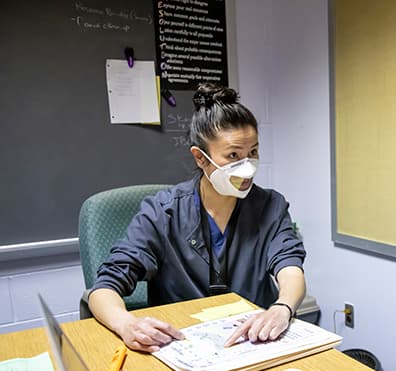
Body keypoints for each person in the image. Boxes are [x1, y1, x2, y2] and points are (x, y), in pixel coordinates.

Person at [88, 83, 306, 353]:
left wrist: (282, 307)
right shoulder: (162, 212)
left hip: (253, 342)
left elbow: (290, 267)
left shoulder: (270, 206)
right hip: (181, 346)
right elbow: (104, 287)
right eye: (233, 155)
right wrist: (126, 324)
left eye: (253, 152)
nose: (248, 167)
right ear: (201, 158)